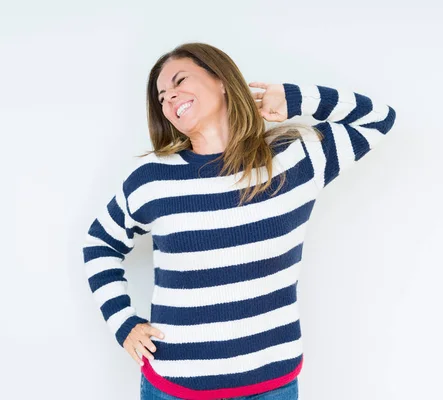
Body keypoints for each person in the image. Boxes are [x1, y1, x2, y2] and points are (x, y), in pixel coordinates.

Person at [82, 42, 396, 400]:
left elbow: (379, 118)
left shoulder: (295, 161)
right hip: (177, 386)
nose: (170, 98)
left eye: (180, 80)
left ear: (222, 81)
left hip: (271, 384)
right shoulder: (152, 179)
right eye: (162, 96)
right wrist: (123, 323)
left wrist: (292, 99)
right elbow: (99, 244)